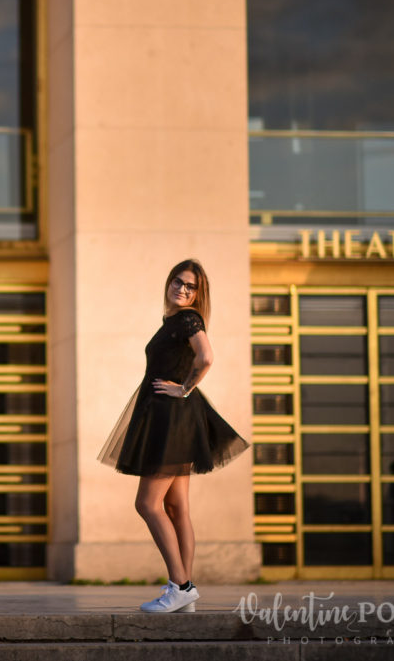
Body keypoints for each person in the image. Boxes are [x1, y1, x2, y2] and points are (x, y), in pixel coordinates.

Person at [97, 259, 248, 613]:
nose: (182, 289)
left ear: (198, 293)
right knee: (177, 507)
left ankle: (180, 586)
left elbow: (206, 357)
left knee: (148, 504)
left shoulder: (187, 319)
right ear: (169, 282)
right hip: (174, 418)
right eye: (178, 282)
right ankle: (186, 591)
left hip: (171, 417)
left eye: (190, 286)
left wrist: (184, 389)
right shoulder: (173, 322)